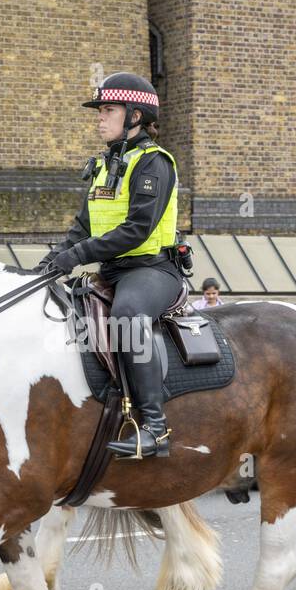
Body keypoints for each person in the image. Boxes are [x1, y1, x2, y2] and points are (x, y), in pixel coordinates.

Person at [36, 72, 181, 460]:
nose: (100, 117)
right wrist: (49, 265)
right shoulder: (103, 166)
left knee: (128, 315)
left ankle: (154, 427)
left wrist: (77, 256)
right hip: (112, 271)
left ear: (135, 115)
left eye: (108, 110)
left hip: (151, 270)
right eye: (100, 110)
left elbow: (136, 229)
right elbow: (83, 226)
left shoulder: (154, 163)